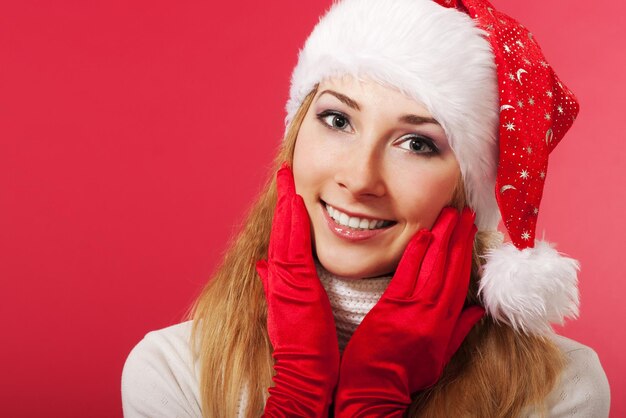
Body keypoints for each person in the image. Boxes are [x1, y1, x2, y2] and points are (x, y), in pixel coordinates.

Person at [121, 0, 611, 416]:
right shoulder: (174, 370)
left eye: (417, 144)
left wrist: (375, 393)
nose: (358, 180)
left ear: (469, 190)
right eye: (337, 119)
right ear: (295, 137)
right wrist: (298, 390)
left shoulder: (559, 389)